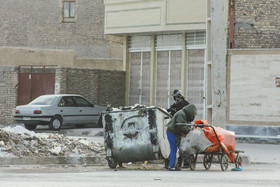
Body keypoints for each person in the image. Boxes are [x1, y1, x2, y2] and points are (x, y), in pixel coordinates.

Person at [166, 104, 197, 171]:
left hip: (172, 132)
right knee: (174, 149)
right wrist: (188, 130)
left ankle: (172, 165)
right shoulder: (181, 114)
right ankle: (171, 166)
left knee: (174, 149)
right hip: (172, 132)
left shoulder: (182, 113)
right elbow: (180, 125)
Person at [167, 89, 190, 168]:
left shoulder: (186, 104)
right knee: (178, 146)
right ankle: (179, 163)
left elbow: (190, 116)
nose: (175, 98)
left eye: (176, 96)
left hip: (183, 128)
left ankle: (186, 162)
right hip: (176, 129)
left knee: (183, 145)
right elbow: (171, 113)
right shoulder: (174, 105)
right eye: (174, 97)